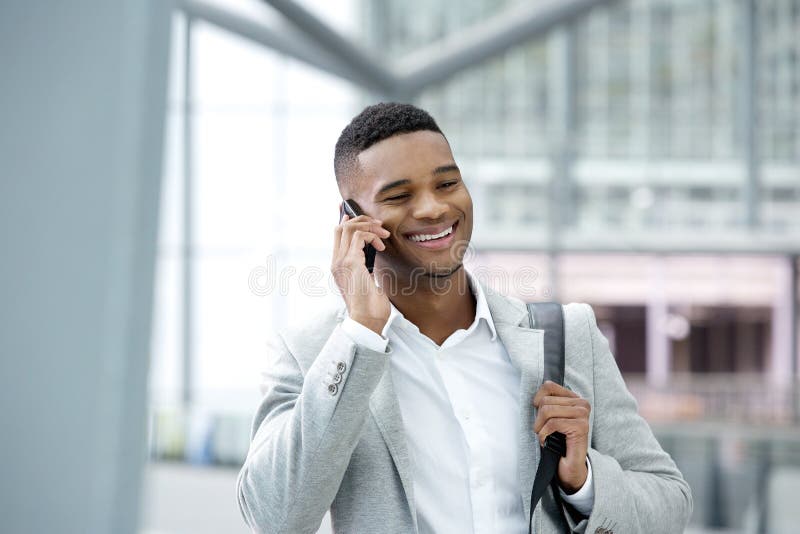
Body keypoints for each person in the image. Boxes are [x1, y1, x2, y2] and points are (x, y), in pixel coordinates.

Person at [236, 102, 692, 534]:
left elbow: (669, 502)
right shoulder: (314, 355)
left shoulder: (566, 335)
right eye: (398, 195)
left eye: (447, 183)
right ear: (353, 220)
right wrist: (359, 334)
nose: (433, 208)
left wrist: (584, 480)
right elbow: (276, 519)